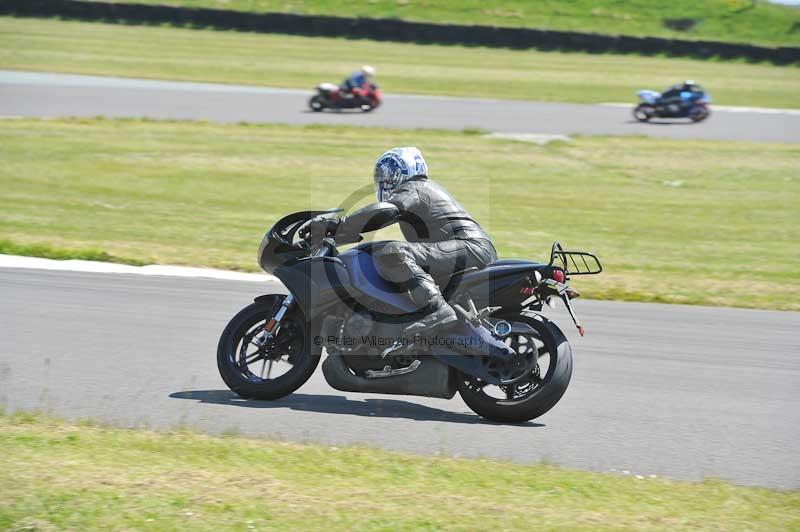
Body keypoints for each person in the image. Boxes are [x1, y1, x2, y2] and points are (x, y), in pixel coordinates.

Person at [301, 147, 496, 335]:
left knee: (392, 251)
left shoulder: (415, 187)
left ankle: (436, 308)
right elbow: (377, 220)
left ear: (407, 170)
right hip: (465, 249)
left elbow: (385, 211)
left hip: (470, 247)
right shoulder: (415, 193)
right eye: (382, 176)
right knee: (378, 251)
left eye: (390, 174)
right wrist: (332, 237)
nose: (385, 180)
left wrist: (338, 224)